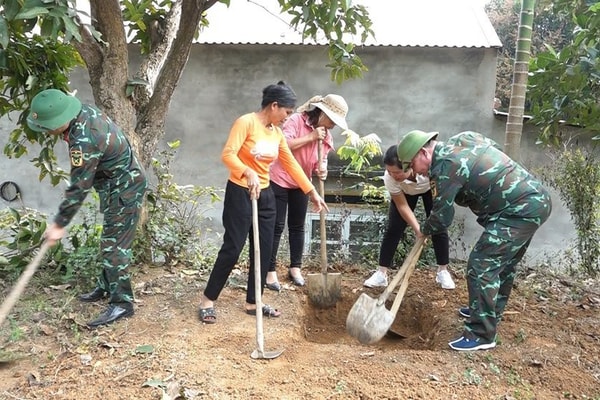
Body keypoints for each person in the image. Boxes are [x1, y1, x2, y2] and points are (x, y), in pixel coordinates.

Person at [397, 130, 552, 351]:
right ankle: (487, 311)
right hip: (534, 200)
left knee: (481, 265)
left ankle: (481, 335)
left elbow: (442, 216)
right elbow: (491, 146)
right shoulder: (462, 141)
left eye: (412, 164)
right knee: (504, 265)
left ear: (423, 152)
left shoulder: (446, 165)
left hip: (517, 210)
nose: (416, 172)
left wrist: (425, 230)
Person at [197, 81, 328, 324]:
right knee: (233, 248)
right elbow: (228, 154)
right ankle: (207, 300)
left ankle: (253, 301)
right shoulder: (245, 122)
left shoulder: (276, 132)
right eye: (287, 113)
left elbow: (289, 163)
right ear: (274, 105)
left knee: (264, 249)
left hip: (266, 194)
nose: (288, 119)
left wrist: (311, 191)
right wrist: (247, 172)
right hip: (240, 191)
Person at [26, 89, 147, 328]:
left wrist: (59, 224)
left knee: (114, 246)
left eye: (48, 127)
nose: (47, 133)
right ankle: (106, 286)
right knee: (109, 240)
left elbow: (79, 186)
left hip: (124, 188)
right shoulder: (81, 112)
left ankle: (122, 303)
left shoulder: (84, 140)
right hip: (115, 185)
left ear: (61, 121)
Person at [266, 94, 348, 290]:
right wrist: (311, 136)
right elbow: (282, 146)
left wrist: (322, 168)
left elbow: (323, 158)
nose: (333, 126)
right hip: (279, 178)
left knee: (297, 226)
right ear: (322, 113)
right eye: (332, 120)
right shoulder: (296, 120)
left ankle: (295, 268)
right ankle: (270, 272)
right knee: (276, 227)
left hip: (302, 182)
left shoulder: (326, 135)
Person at [363, 144, 455, 290]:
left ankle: (442, 271)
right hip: (405, 193)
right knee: (394, 228)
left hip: (429, 189)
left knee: (439, 226)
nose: (394, 176)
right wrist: (418, 230)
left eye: (398, 172)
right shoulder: (390, 178)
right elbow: (402, 206)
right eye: (390, 172)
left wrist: (429, 224)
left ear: (410, 166)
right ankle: (381, 273)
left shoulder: (425, 170)